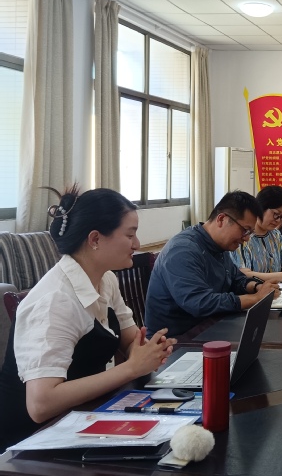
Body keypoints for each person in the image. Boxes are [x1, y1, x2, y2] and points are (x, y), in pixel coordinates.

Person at [0, 186, 176, 451]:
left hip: (81, 417)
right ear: (95, 239)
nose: (137, 244)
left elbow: (131, 340)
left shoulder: (106, 279)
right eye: (130, 235)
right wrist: (131, 368)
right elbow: (40, 405)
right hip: (31, 441)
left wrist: (146, 352)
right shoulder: (55, 301)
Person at [145, 191, 280, 337]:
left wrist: (257, 287)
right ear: (221, 219)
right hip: (177, 339)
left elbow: (236, 279)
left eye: (250, 233)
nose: (246, 238)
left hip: (211, 326)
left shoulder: (219, 245)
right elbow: (200, 303)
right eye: (245, 230)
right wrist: (256, 298)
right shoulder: (183, 250)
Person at [229, 186, 282, 285]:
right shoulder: (243, 237)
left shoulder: (275, 235)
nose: (278, 220)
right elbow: (244, 274)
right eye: (276, 214)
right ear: (261, 207)